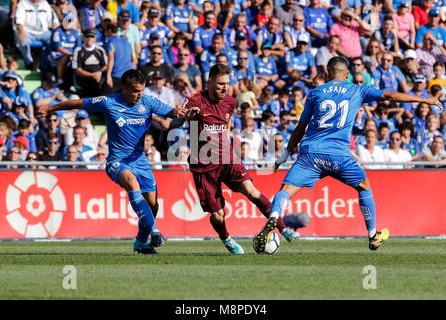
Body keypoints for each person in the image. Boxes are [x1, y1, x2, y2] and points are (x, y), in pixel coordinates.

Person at [253, 56, 442, 253]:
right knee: (364, 186)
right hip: (339, 156)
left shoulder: (315, 92)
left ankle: (274, 218)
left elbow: (301, 127)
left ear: (327, 73)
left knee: (285, 190)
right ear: (348, 75)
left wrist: (285, 154)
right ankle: (373, 235)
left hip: (311, 155)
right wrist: (425, 99)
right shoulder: (357, 89)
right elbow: (390, 96)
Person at [36, 69, 190, 254]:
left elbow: (174, 114)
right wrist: (50, 108)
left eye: (141, 90)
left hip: (140, 161)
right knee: (132, 183)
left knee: (153, 205)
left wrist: (184, 114)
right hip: (117, 161)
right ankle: (155, 232)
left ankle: (140, 242)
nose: (139, 94)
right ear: (124, 88)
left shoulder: (148, 101)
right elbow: (77, 103)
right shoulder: (108, 102)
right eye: (135, 91)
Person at [172, 63, 299, 254]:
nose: (225, 88)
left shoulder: (230, 102)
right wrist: (186, 117)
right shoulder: (194, 100)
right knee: (218, 214)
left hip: (227, 158)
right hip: (203, 166)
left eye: (227, 84)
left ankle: (283, 228)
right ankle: (227, 239)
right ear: (209, 82)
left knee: (252, 191)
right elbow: (174, 120)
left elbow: (227, 125)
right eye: (220, 84)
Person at [72, 28, 108, 97]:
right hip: (84, 82)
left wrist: (100, 73)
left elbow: (106, 66)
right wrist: (92, 75)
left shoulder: (100, 50)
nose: (89, 39)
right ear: (83, 38)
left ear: (95, 38)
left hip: (99, 80)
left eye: (92, 37)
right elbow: (77, 70)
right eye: (87, 36)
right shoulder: (78, 50)